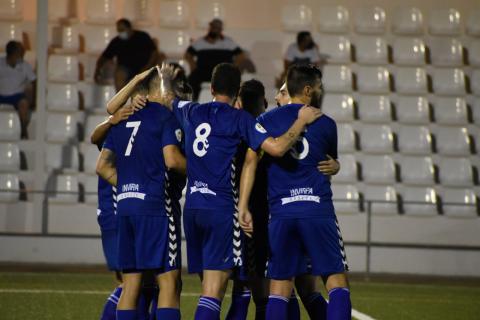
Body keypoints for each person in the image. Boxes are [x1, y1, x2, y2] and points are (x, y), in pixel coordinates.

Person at [239, 64, 351, 320]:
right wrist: (336, 165)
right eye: (319, 87)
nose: (322, 91)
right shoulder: (327, 123)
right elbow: (327, 162)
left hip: (281, 213)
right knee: (336, 282)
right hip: (317, 211)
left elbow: (250, 162)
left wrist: (242, 206)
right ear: (309, 89)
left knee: (279, 287)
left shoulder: (265, 121)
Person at [96, 67, 186, 320]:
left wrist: (126, 187)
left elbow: (101, 167)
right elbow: (171, 160)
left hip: (125, 207)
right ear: (161, 89)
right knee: (169, 281)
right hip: (155, 209)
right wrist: (199, 171)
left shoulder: (122, 118)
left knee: (131, 283)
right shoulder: (164, 117)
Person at [184, 19, 245, 101]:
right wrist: (192, 65)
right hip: (203, 71)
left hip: (223, 72)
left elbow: (241, 55)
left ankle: (233, 103)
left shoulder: (228, 42)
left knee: (235, 80)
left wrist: (234, 66)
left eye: (218, 28)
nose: (215, 29)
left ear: (221, 30)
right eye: (213, 27)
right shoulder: (199, 42)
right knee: (191, 79)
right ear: (210, 28)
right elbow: (187, 55)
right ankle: (192, 103)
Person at [94, 18, 158, 91]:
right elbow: (104, 57)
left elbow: (154, 53)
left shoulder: (142, 36)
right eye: (119, 30)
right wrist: (97, 71)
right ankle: (121, 99)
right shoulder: (116, 42)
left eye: (122, 29)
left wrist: (147, 67)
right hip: (125, 69)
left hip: (144, 68)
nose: (121, 32)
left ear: (129, 28)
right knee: (119, 75)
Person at [0, 40, 35, 139]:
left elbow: (34, 81)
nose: (21, 55)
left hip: (17, 96)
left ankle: (22, 130)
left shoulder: (25, 65)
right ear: (11, 54)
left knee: (24, 104)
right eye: (19, 53)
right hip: (1, 95)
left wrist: (34, 101)